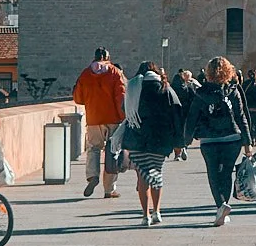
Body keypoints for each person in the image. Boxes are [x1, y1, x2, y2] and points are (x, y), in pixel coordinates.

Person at [188, 57, 252, 226]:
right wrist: (248, 143)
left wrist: (186, 139)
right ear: (228, 72)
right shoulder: (233, 91)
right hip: (232, 138)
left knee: (213, 173)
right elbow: (241, 116)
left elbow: (192, 116)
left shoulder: (201, 93)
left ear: (208, 73)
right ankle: (224, 205)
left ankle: (221, 205)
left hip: (209, 140)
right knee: (227, 173)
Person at [122, 61, 182, 226]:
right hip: (160, 139)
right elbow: (176, 112)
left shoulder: (133, 88)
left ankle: (145, 215)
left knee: (143, 176)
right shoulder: (164, 87)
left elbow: (124, 109)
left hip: (137, 138)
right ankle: (157, 211)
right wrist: (178, 140)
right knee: (156, 172)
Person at [71, 47, 128, 198]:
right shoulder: (115, 72)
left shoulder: (85, 74)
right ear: (107, 57)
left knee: (93, 149)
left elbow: (78, 98)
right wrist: (123, 117)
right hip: (113, 118)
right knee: (112, 152)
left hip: (94, 118)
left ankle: (92, 176)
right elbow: (120, 97)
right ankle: (109, 189)